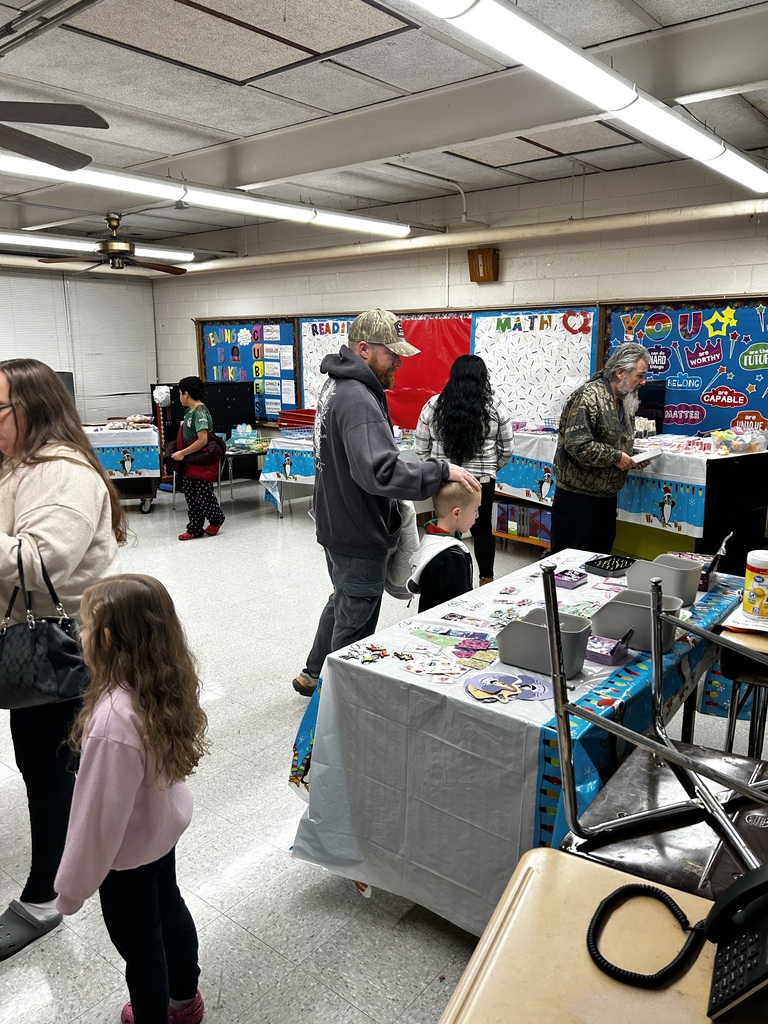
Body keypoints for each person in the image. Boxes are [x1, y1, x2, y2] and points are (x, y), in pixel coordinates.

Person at [0, 357, 126, 960]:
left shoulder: (65, 474)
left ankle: (50, 892)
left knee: (46, 768)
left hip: (58, 645)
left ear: (32, 409)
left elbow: (40, 561)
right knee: (51, 762)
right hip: (32, 637)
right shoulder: (18, 464)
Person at [292, 308, 480, 697]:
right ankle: (334, 700)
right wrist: (438, 471)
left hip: (336, 520)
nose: (398, 361)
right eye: (390, 353)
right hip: (357, 528)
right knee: (356, 618)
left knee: (343, 599)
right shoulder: (358, 397)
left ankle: (313, 673)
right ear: (364, 349)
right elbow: (378, 473)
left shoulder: (336, 386)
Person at [55, 574, 208, 1024]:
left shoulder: (110, 721)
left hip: (126, 862)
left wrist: (70, 890)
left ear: (104, 637)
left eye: (82, 625)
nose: (76, 633)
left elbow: (97, 822)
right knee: (171, 911)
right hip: (162, 836)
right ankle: (186, 1001)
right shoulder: (161, 684)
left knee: (141, 951)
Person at [415, 354, 514, 585]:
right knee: (482, 530)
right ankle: (486, 579)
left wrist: (438, 470)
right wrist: (488, 470)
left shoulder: (433, 405)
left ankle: (439, 578)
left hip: (444, 481)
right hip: (481, 482)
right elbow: (507, 448)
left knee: (443, 527)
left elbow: (421, 449)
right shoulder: (495, 407)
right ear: (483, 378)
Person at [550, 342, 651, 555]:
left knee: (599, 560)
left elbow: (613, 441)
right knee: (569, 564)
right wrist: (616, 457)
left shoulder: (624, 400)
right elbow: (577, 444)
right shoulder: (588, 397)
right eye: (639, 376)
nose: (643, 382)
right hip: (578, 499)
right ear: (620, 372)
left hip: (605, 497)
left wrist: (633, 457)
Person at [408, 480, 480, 613]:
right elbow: (457, 604)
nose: (477, 515)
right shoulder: (452, 556)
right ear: (456, 513)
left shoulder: (430, 538)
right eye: (475, 510)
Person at [172, 376, 225, 541]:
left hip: (201, 460)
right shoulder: (189, 411)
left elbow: (202, 440)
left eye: (180, 393)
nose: (179, 397)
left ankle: (216, 520)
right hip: (191, 462)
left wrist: (183, 453)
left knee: (204, 495)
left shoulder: (200, 412)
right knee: (191, 497)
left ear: (186, 394)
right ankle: (195, 528)